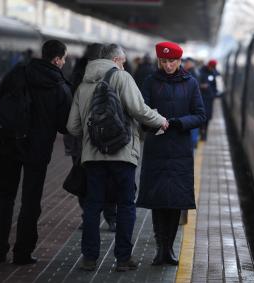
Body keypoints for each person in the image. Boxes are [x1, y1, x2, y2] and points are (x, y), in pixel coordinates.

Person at [66, 43, 168, 272]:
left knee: (92, 206)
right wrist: (160, 120)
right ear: (117, 60)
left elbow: (72, 127)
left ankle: (89, 258)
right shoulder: (123, 78)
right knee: (125, 205)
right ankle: (123, 259)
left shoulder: (84, 84)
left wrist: (93, 133)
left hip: (93, 157)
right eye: (122, 61)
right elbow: (139, 110)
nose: (123, 65)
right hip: (122, 154)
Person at [0, 40, 72, 265]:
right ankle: (22, 252)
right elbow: (64, 126)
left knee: (5, 196)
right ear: (56, 59)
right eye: (64, 59)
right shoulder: (59, 85)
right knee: (31, 200)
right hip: (37, 150)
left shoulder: (19, 72)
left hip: (9, 144)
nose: (64, 63)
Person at [136, 41, 206, 266]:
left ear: (179, 61)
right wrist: (155, 123)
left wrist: (178, 123)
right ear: (159, 60)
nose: (168, 65)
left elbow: (200, 115)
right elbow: (142, 110)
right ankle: (160, 249)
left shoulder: (191, 83)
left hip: (180, 149)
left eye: (172, 61)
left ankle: (169, 249)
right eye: (164, 61)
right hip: (156, 148)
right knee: (159, 200)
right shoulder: (150, 82)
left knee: (175, 200)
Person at [65, 43, 117, 232]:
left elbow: (70, 108)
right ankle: (110, 218)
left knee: (83, 178)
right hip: (106, 138)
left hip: (81, 139)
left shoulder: (77, 76)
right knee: (108, 177)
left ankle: (89, 216)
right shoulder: (114, 74)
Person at [199, 59, 218, 140]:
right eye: (212, 67)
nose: (213, 68)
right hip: (201, 98)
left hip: (209, 99)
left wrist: (214, 93)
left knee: (207, 117)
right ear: (208, 65)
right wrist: (201, 86)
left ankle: (204, 133)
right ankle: (201, 132)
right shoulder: (200, 72)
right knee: (201, 116)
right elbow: (196, 83)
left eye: (214, 67)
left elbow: (215, 85)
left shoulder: (214, 73)